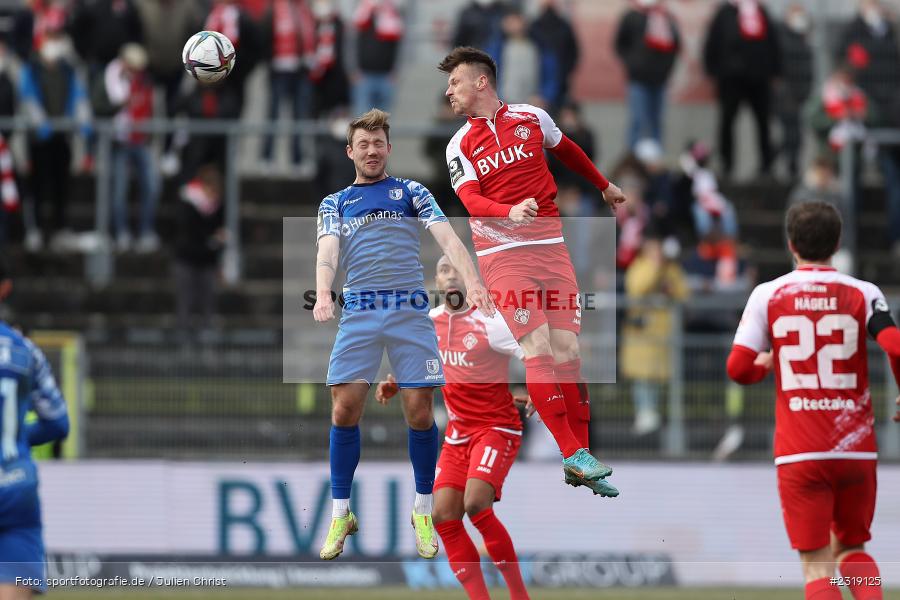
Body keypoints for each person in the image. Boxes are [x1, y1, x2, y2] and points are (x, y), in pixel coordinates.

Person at [439, 46, 626, 493]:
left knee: (568, 352)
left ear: (481, 82)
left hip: (552, 248)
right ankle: (572, 452)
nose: (449, 91)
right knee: (537, 345)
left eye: (455, 82)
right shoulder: (458, 145)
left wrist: (604, 185)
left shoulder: (531, 118)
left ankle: (580, 457)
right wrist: (508, 211)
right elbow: (471, 204)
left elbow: (568, 150)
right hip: (503, 254)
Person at [313, 108, 493, 561]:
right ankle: (340, 513)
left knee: (418, 411)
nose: (371, 151)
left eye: (379, 144)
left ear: (389, 149)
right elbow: (328, 249)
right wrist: (322, 293)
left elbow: (447, 238)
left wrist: (471, 279)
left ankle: (422, 509)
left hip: (410, 312)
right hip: (360, 311)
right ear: (350, 151)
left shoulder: (411, 191)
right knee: (344, 409)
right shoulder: (335, 202)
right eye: (363, 144)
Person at [727, 201, 900, 600]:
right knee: (853, 550)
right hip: (855, 449)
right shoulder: (863, 292)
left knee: (816, 564)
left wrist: (766, 367)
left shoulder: (768, 294)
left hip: (800, 451)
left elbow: (737, 368)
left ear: (791, 244)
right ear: (837, 243)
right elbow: (894, 345)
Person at [375, 254, 551, 600]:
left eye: (458, 268)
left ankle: (520, 596)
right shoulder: (429, 323)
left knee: (475, 504)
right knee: (441, 515)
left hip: (497, 427)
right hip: (458, 434)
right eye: (443, 269)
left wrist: (536, 388)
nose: (451, 275)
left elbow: (535, 355)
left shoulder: (491, 322)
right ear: (437, 282)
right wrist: (396, 382)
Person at [0, 256, 70, 598]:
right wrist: (13, 437)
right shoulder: (25, 349)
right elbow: (58, 422)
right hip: (16, 486)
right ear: (5, 289)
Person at [703, 0, 781, 178]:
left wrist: (775, 71)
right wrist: (713, 69)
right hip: (731, 78)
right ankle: (727, 164)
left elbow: (773, 43)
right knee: (727, 121)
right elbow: (713, 41)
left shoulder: (761, 12)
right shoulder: (725, 12)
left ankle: (766, 165)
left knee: (762, 122)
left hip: (759, 77)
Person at [614, 0, 681, 149]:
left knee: (656, 122)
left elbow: (676, 46)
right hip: (638, 79)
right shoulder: (632, 16)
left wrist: (666, 69)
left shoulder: (666, 17)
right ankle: (632, 161)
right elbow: (619, 44)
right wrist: (632, 64)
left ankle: (655, 163)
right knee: (637, 121)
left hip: (660, 80)